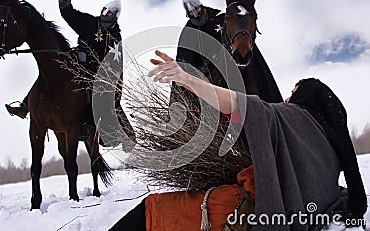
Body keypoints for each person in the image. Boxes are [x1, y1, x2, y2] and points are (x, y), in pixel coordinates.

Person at [110, 50, 367, 230]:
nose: (287, 98)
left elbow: (240, 105)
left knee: (153, 210)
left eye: (294, 91)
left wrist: (187, 79)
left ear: (308, 96)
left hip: (248, 214)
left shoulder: (293, 116)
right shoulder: (332, 152)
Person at [5, 0, 136, 144]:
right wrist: (64, 0)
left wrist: (97, 65)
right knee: (50, 72)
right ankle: (25, 106)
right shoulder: (89, 22)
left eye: (109, 12)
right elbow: (71, 15)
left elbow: (115, 63)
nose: (105, 14)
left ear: (114, 16)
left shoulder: (115, 37)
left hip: (94, 73)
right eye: (104, 10)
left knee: (93, 94)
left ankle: (88, 126)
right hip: (74, 62)